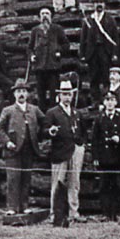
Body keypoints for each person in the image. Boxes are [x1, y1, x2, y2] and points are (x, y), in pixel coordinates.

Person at [0, 80, 45, 215]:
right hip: (13, 150)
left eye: (23, 91)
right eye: (18, 91)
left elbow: (45, 122)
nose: (21, 94)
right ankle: (12, 207)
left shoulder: (34, 109)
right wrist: (7, 142)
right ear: (14, 94)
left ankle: (24, 205)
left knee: (26, 178)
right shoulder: (8, 110)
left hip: (29, 149)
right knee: (13, 178)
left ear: (27, 94)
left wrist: (39, 136)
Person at [43, 79, 87, 224]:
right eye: (64, 94)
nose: (67, 97)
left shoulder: (76, 113)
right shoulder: (52, 112)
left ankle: (74, 212)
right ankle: (55, 214)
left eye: (69, 94)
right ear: (59, 96)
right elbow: (43, 130)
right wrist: (51, 131)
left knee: (75, 182)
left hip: (76, 150)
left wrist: (81, 145)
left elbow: (83, 131)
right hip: (59, 152)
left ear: (72, 96)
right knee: (58, 182)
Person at [92, 92, 120, 221]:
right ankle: (105, 212)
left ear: (116, 102)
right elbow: (94, 139)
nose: (109, 102)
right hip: (104, 158)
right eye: (107, 100)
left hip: (118, 158)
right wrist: (95, 157)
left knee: (118, 185)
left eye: (112, 100)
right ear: (104, 103)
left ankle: (117, 212)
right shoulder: (99, 119)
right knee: (104, 186)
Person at [79, 0, 120, 105]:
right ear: (93, 4)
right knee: (93, 78)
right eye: (97, 2)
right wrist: (82, 54)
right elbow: (83, 38)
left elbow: (115, 38)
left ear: (104, 4)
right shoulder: (88, 20)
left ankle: (107, 101)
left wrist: (115, 53)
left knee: (106, 77)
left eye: (101, 2)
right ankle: (95, 101)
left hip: (105, 52)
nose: (99, 4)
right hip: (92, 53)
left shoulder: (110, 20)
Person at [28, 6, 70, 110]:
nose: (45, 16)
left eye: (47, 13)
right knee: (40, 93)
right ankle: (42, 114)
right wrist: (32, 56)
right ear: (39, 17)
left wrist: (59, 52)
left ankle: (53, 114)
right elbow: (29, 47)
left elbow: (66, 44)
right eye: (42, 14)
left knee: (53, 93)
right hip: (39, 67)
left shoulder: (57, 29)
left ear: (51, 16)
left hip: (53, 67)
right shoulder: (35, 30)